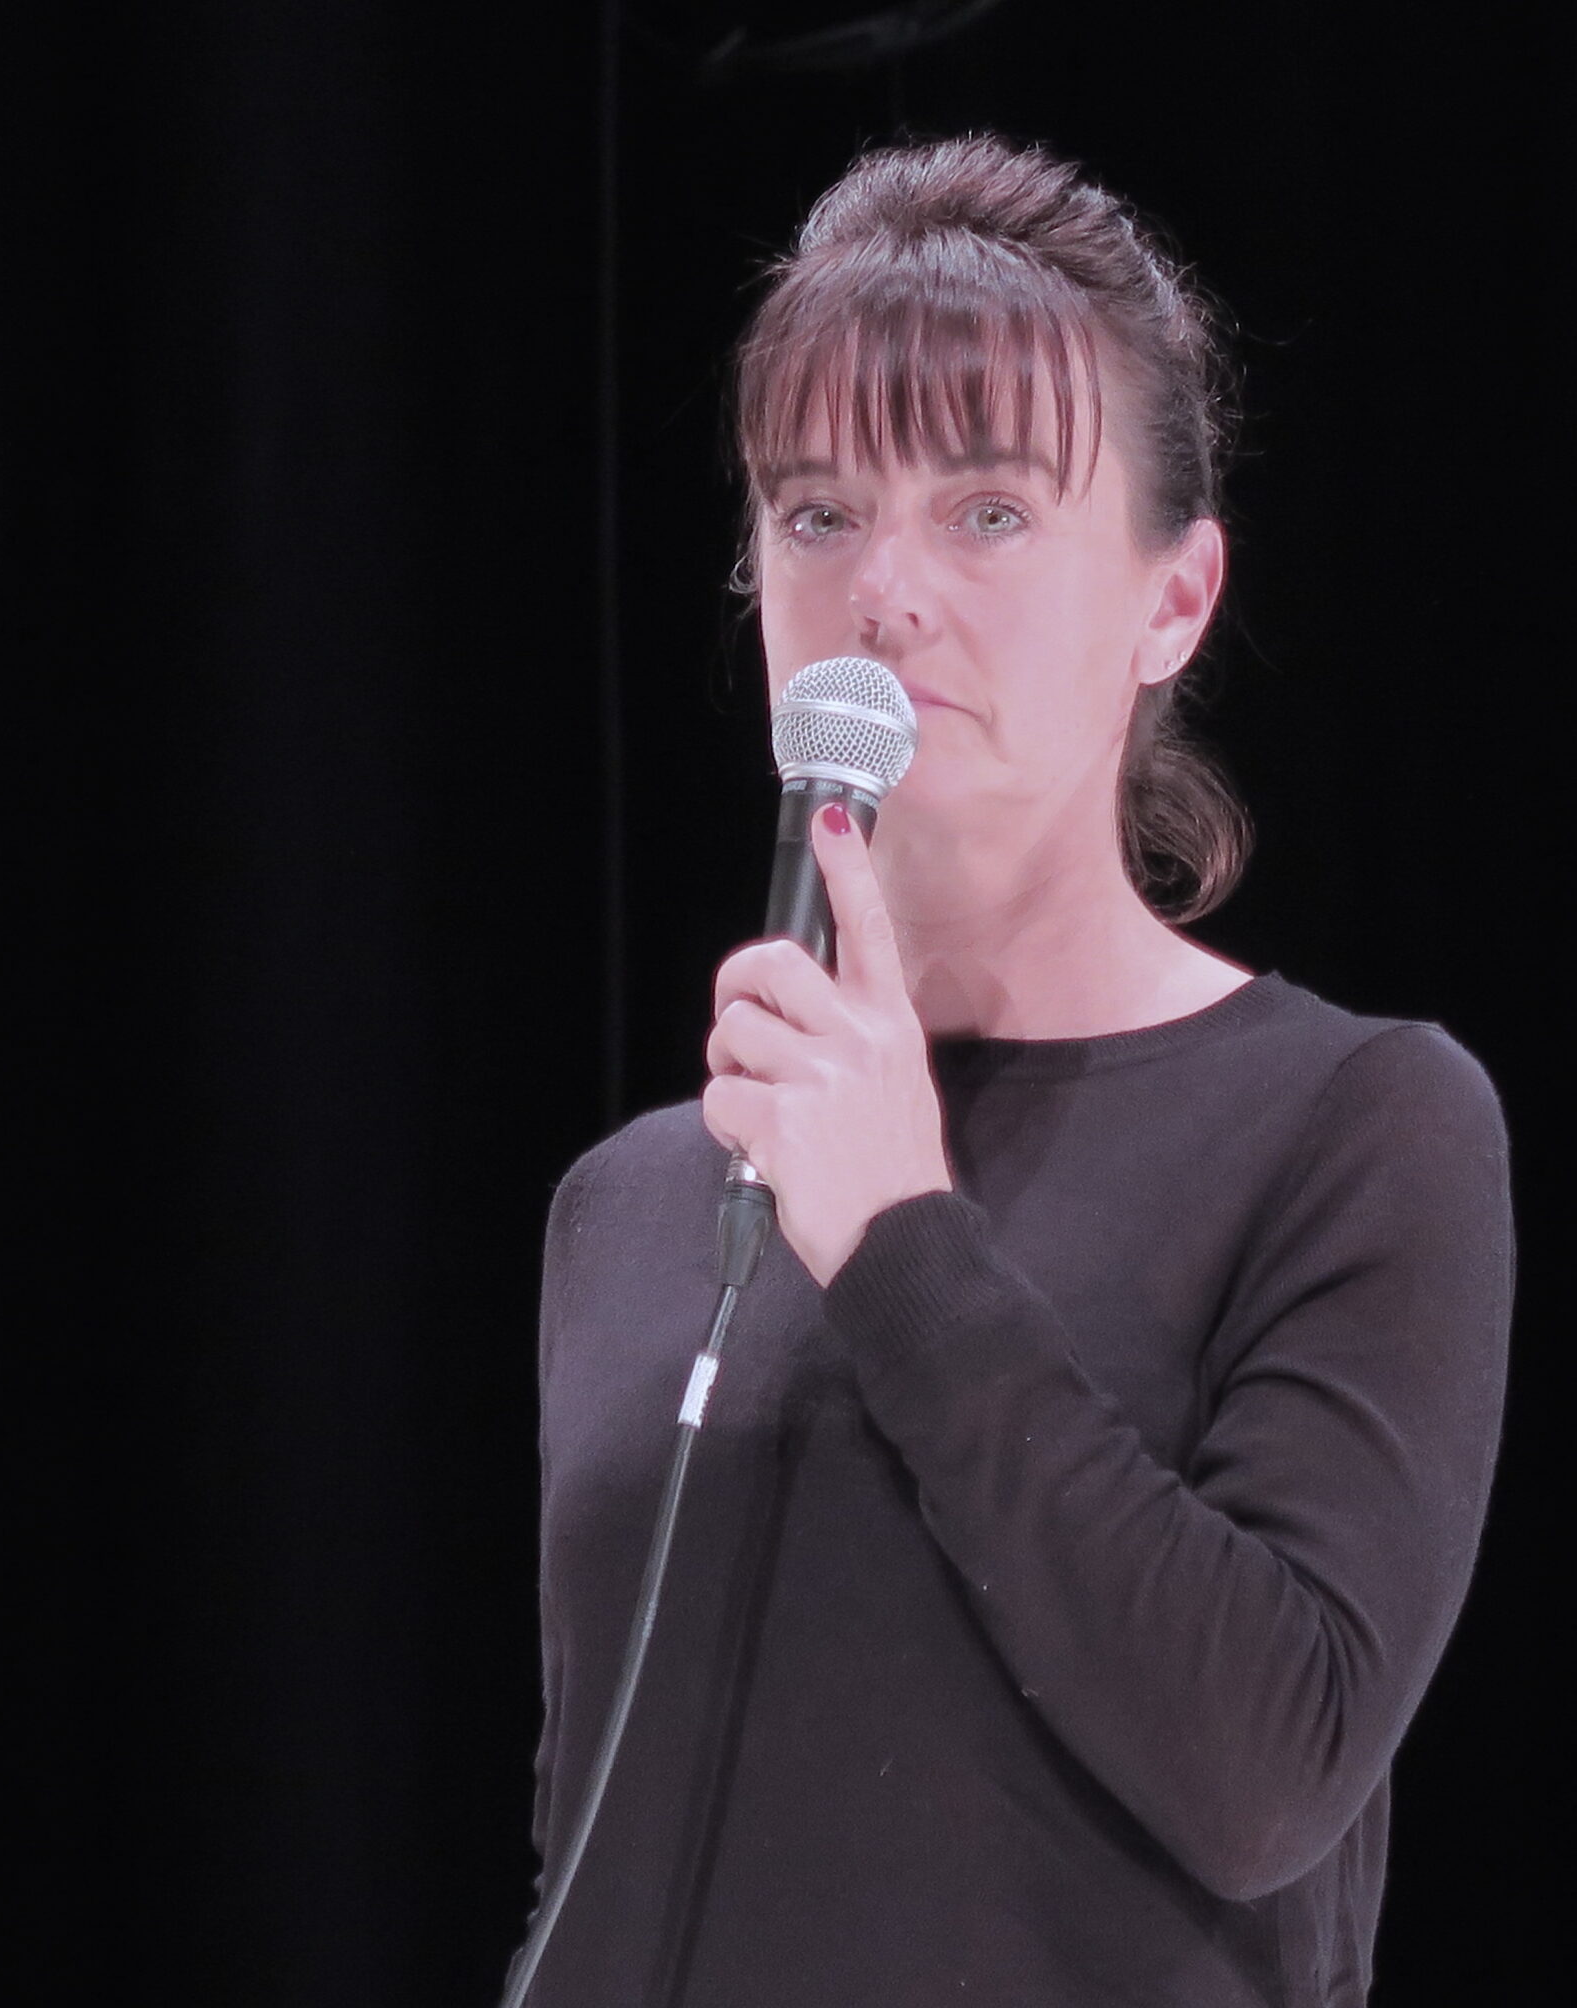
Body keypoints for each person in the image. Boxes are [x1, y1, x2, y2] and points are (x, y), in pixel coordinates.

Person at [523, 134, 1513, 2006]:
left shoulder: (1355, 1129)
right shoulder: (642, 1202)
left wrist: (903, 1232)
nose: (882, 591)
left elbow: (1268, 1763)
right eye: (816, 512)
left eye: (986, 511)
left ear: (1174, 600)